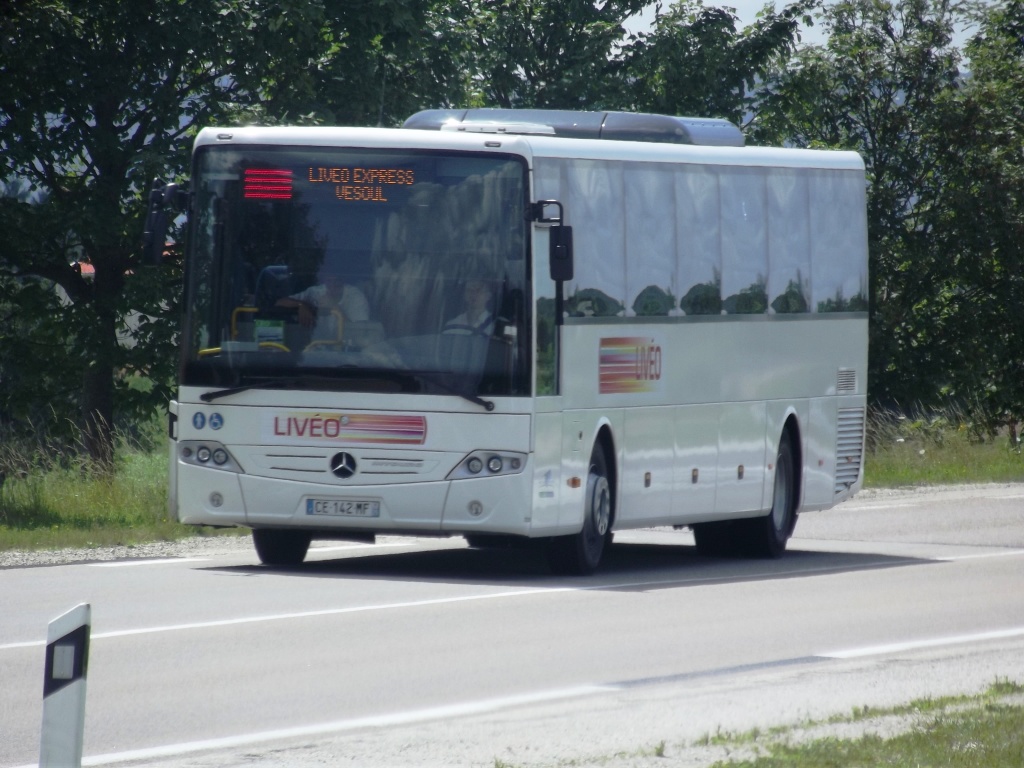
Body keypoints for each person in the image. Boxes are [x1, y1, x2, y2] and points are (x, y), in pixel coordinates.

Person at [276, 267, 370, 342]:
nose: (332, 286)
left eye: (337, 282)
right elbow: (279, 303)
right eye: (329, 281)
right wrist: (301, 305)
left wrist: (334, 307)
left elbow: (359, 335)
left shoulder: (356, 297)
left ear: (344, 281)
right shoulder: (315, 292)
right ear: (323, 280)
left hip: (346, 351)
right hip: (315, 348)